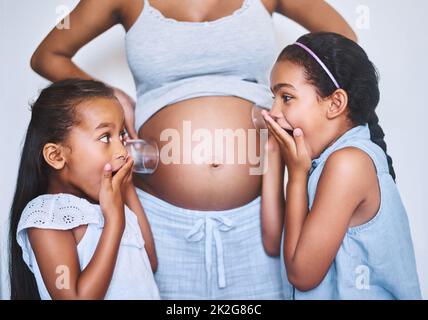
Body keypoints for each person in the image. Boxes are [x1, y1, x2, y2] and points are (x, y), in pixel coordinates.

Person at [30, 0, 356, 299]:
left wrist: (293, 102)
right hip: (156, 218)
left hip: (259, 214)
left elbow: (344, 40)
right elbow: (48, 55)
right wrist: (110, 96)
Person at [262, 32, 421, 299]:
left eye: (286, 97)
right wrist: (272, 152)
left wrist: (298, 178)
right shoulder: (320, 162)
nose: (273, 112)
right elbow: (273, 240)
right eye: (273, 98)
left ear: (335, 103)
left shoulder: (348, 164)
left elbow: (302, 275)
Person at [9, 79, 160, 300]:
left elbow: (150, 261)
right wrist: (114, 222)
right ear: (57, 156)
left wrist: (125, 187)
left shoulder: (111, 205)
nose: (122, 150)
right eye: (106, 137)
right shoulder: (48, 215)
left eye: (122, 136)